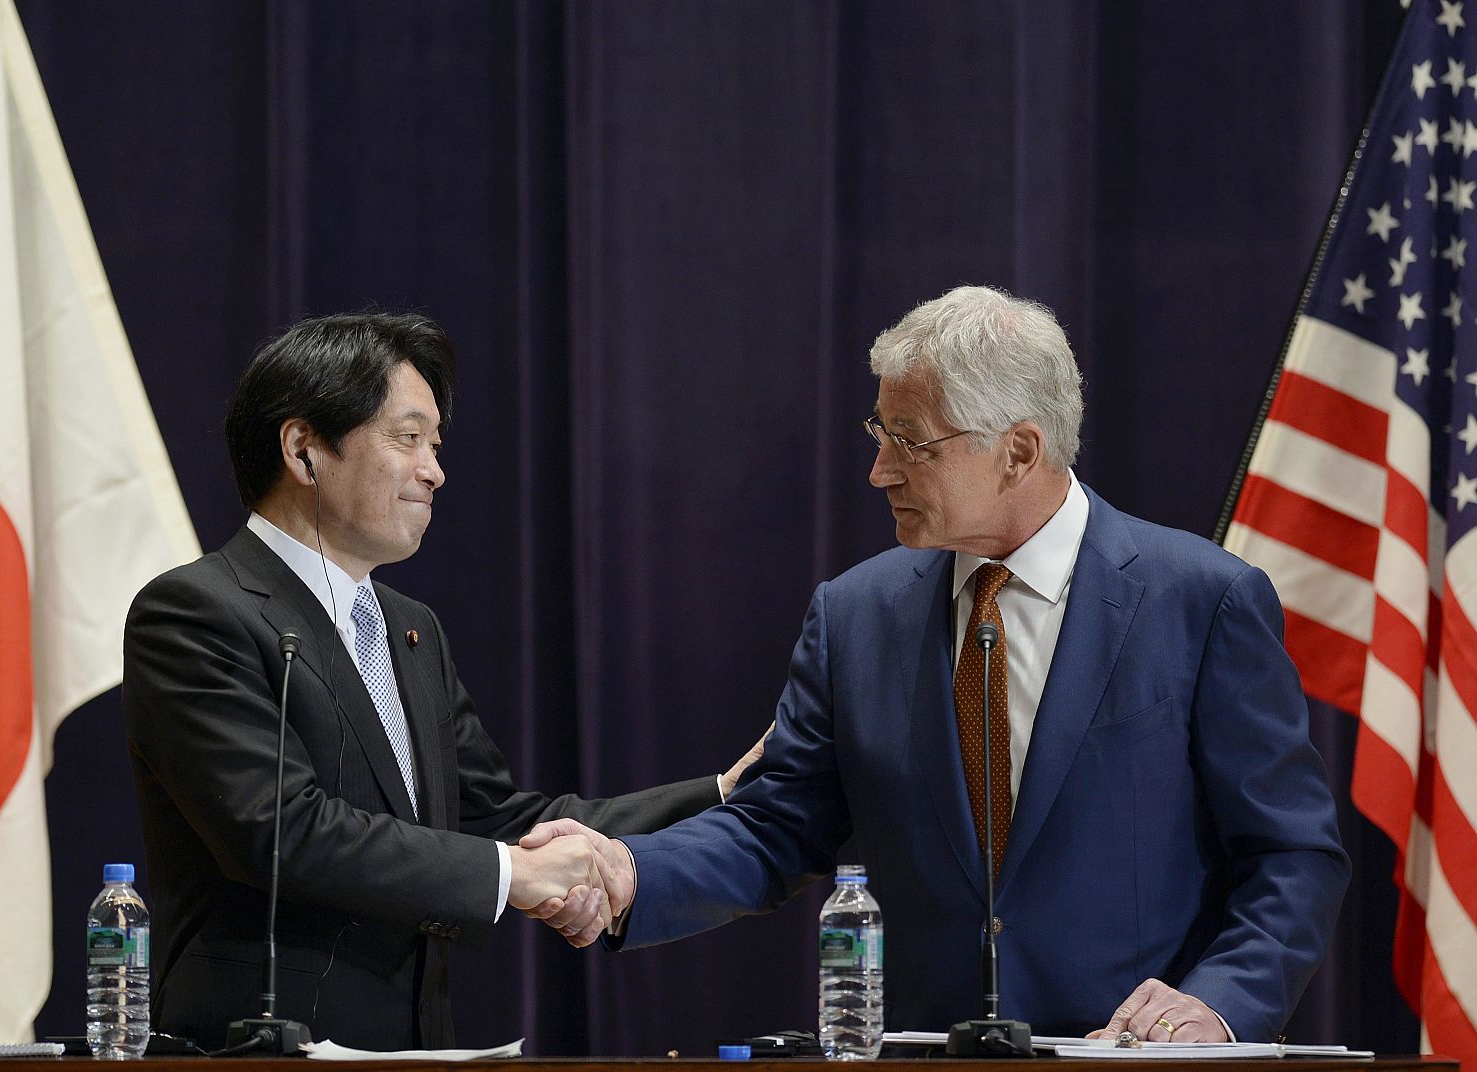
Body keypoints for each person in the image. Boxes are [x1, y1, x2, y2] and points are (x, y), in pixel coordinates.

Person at [525, 286, 1351, 1043]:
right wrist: (631, 869)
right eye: (880, 434)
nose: (880, 470)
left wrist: (1218, 1003)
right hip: (926, 1054)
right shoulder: (855, 615)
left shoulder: (1202, 601)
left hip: (1126, 1058)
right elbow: (778, 823)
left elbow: (1292, 854)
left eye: (911, 443)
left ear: (1020, 451)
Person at [122, 312, 762, 1050]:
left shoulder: (408, 628)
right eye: (407, 438)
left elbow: (494, 820)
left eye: (436, 445)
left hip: (420, 1048)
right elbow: (282, 831)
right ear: (304, 451)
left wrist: (722, 794)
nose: (435, 470)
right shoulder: (196, 611)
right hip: (256, 1052)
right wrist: (517, 878)